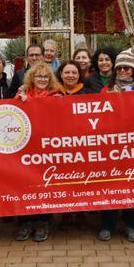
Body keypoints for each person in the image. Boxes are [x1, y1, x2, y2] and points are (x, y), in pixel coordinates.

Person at [97, 51, 134, 242]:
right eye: (120, 68)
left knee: (133, 185)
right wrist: (111, 99)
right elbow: (97, 116)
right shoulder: (106, 89)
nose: (123, 71)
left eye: (127, 68)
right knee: (110, 185)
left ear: (133, 70)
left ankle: (131, 225)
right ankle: (107, 224)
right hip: (111, 148)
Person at [15, 62, 61, 242]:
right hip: (25, 148)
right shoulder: (21, 94)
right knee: (25, 184)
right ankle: (25, 222)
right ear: (31, 78)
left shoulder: (56, 95)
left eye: (45, 76)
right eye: (38, 76)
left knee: (45, 184)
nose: (42, 79)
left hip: (47, 148)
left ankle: (43, 221)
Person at [54, 60, 87, 230]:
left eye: (74, 72)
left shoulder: (87, 92)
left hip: (82, 144)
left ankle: (81, 213)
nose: (71, 76)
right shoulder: (53, 94)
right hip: (60, 145)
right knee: (64, 180)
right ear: (61, 74)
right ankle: (66, 214)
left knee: (81, 180)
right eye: (67, 72)